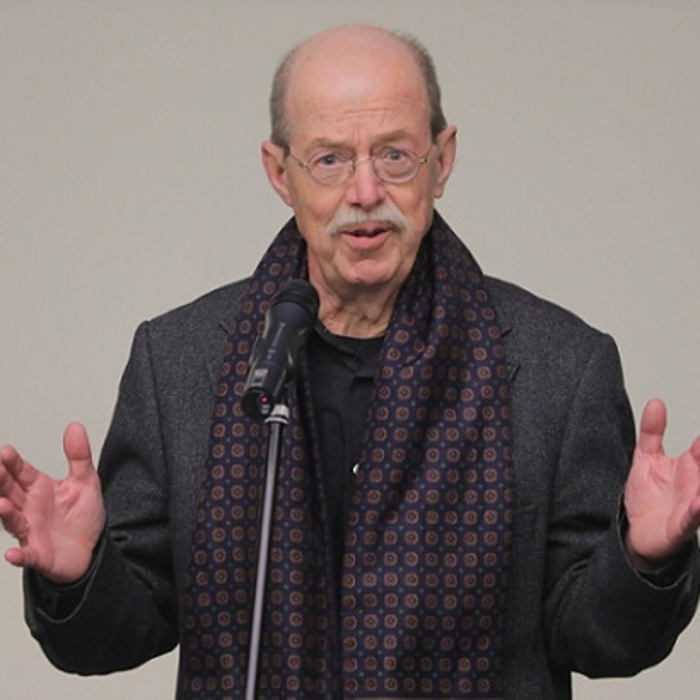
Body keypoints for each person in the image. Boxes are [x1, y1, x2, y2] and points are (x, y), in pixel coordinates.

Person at [1, 23, 700, 700]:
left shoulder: (560, 368)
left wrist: (642, 558)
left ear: (443, 159)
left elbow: (599, 640)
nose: (365, 192)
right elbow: (121, 632)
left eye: (394, 155)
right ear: (280, 173)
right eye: (330, 160)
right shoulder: (180, 360)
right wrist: (79, 573)